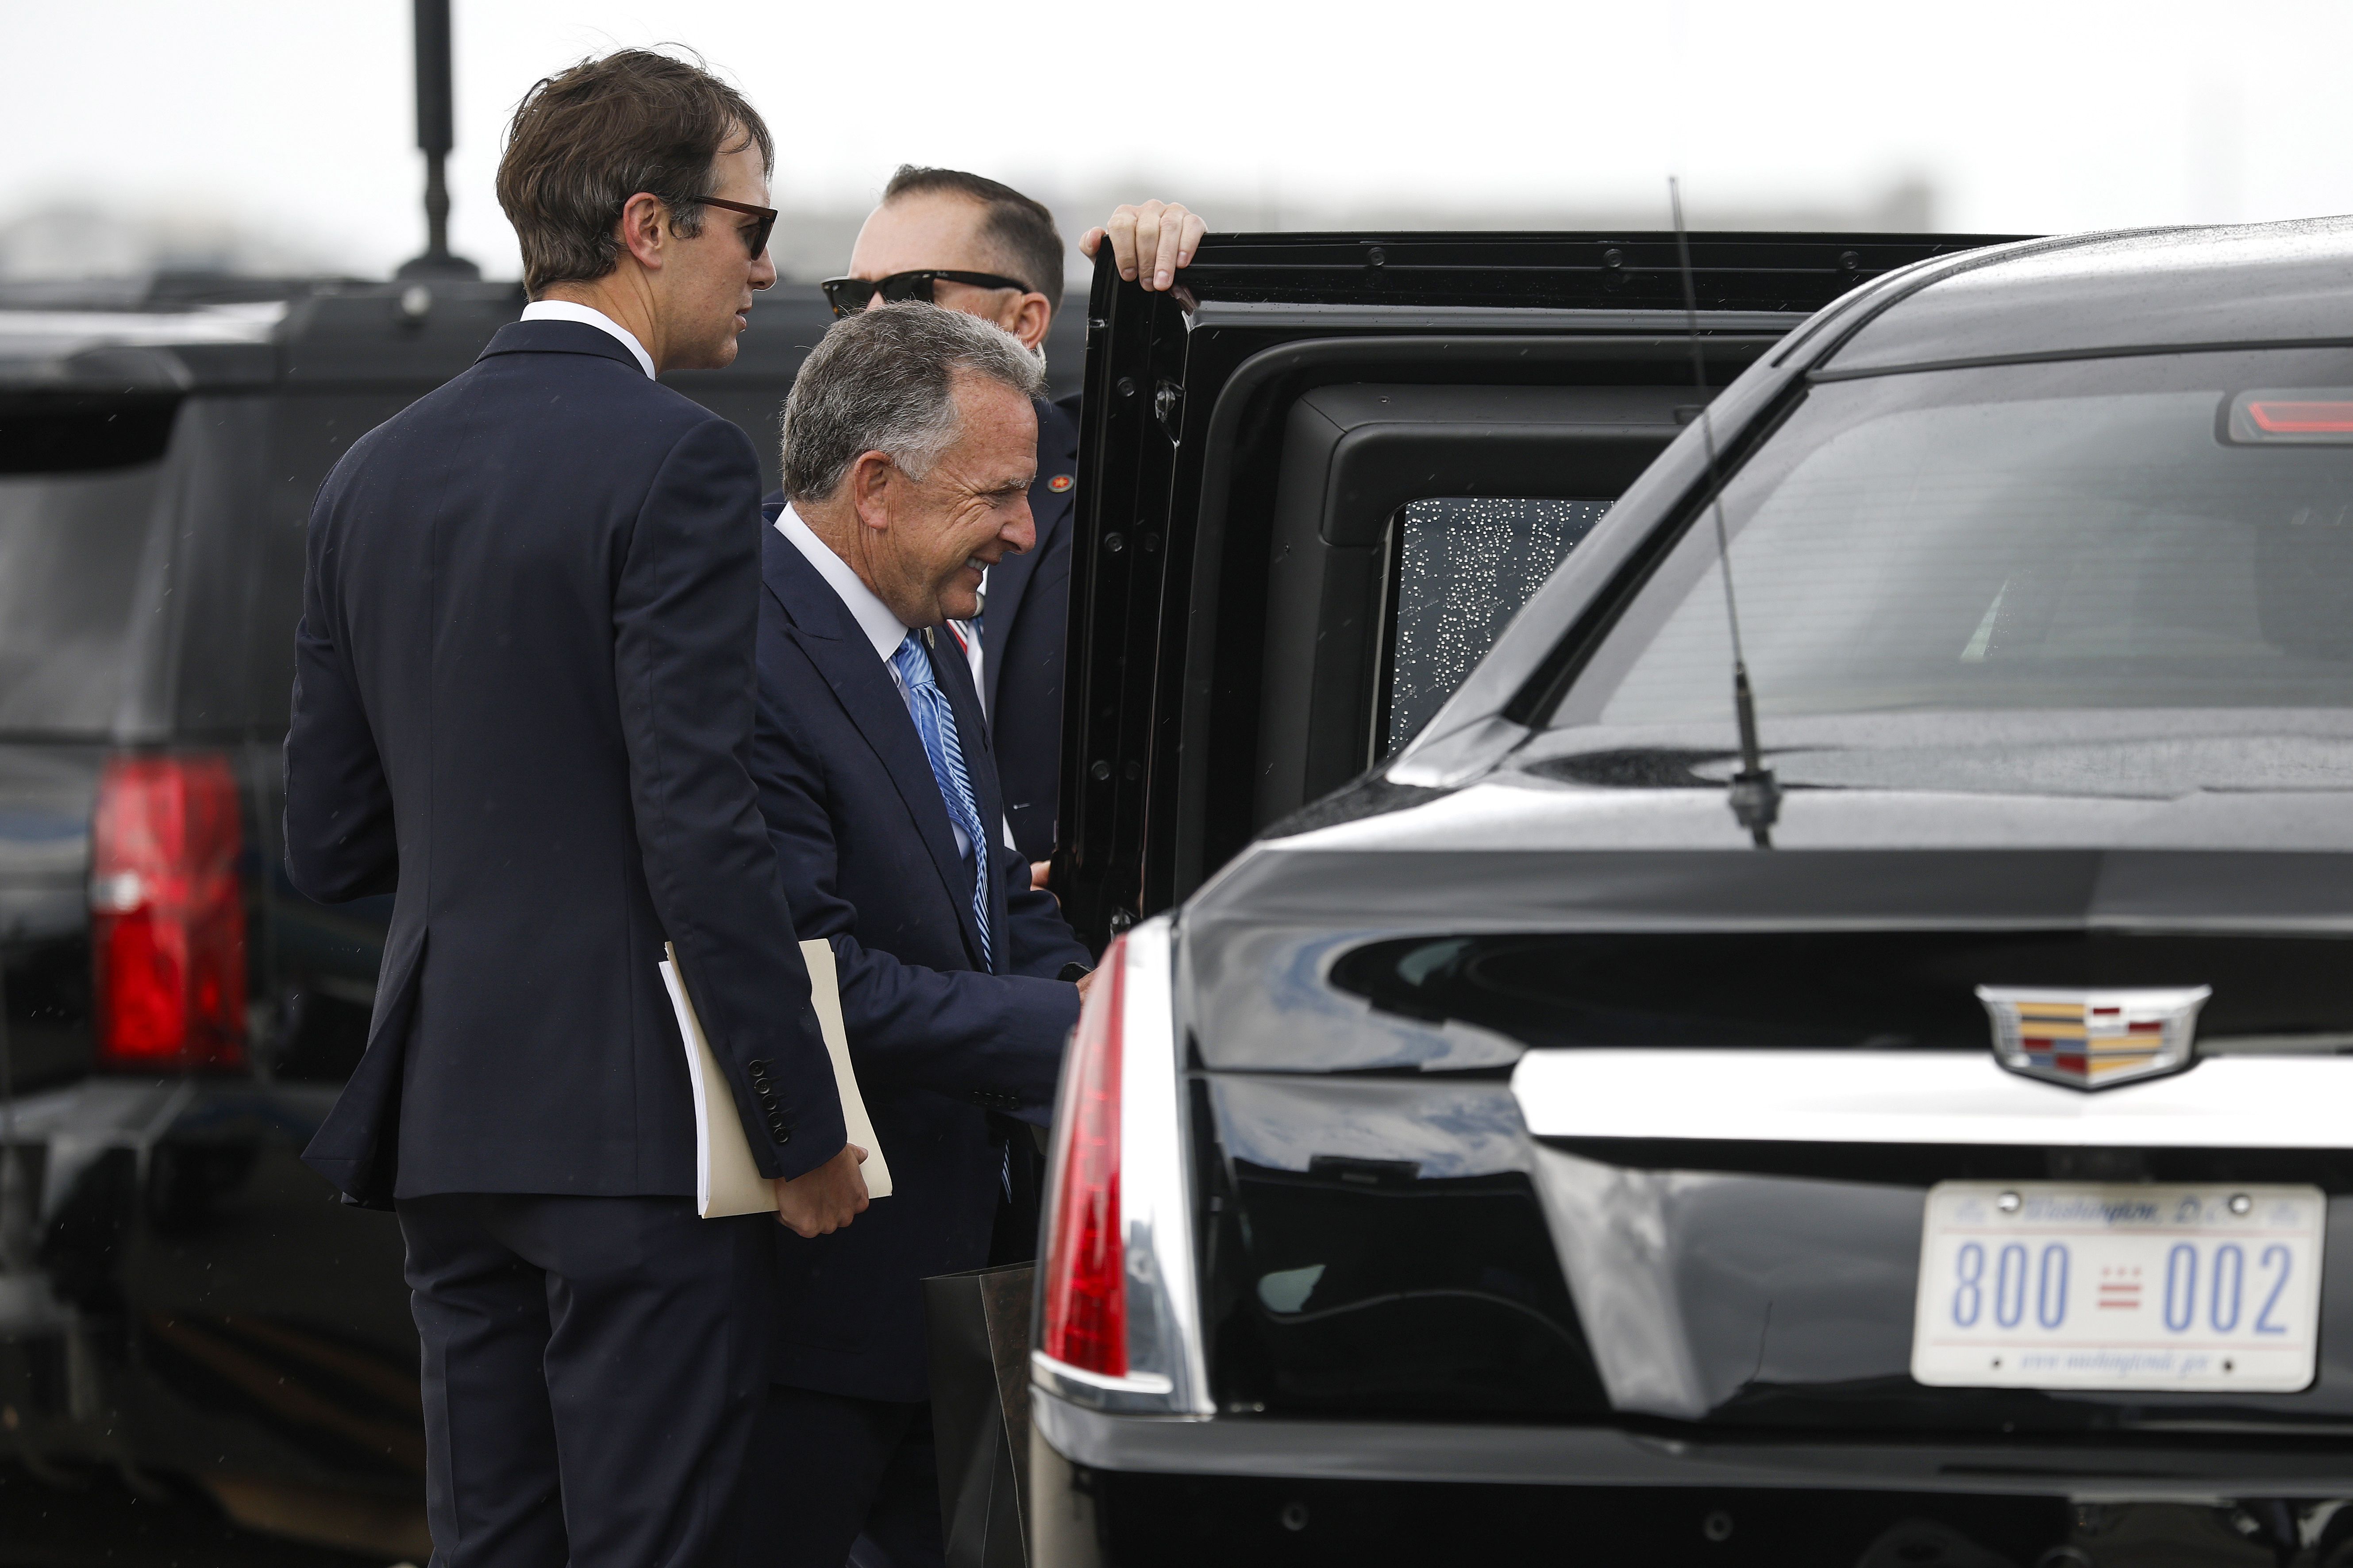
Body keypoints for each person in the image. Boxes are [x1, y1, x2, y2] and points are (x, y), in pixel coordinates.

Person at [283, 49, 866, 1568]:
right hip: (633, 1134)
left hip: (447, 1121)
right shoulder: (678, 459)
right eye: (751, 223)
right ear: (647, 227)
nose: (767, 265)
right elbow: (699, 824)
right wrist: (799, 1123)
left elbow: (328, 843)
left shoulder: (369, 473)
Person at [742, 302, 1096, 1568]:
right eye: (996, 495)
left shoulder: (927, 634)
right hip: (808, 1300)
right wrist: (1076, 1027)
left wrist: (1091, 985)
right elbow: (812, 981)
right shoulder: (746, 651)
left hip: (944, 1276)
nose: (1023, 530)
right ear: (877, 487)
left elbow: (989, 893)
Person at [813, 170, 1206, 873]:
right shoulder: (806, 519)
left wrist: (1182, 285)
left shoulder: (1128, 488)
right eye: (851, 295)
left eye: (908, 291)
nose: (868, 321)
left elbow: (1232, 444)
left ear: (1023, 323)